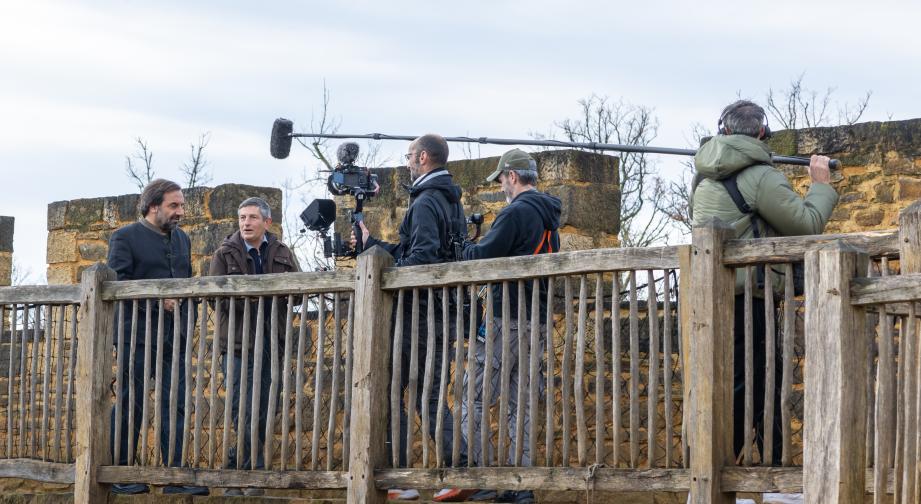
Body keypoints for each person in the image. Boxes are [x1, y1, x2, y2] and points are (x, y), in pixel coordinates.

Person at [691, 100, 838, 466]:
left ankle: (717, 473)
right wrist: (820, 184)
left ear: (723, 131)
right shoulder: (762, 177)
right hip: (751, 301)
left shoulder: (703, 176)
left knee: (728, 387)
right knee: (761, 387)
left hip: (711, 299)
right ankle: (762, 476)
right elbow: (806, 225)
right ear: (761, 132)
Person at [438, 149, 560, 504]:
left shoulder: (516, 212)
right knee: (519, 403)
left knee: (468, 397)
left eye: (501, 179)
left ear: (511, 176)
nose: (501, 186)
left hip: (504, 317)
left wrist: (463, 248)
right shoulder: (548, 216)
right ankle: (518, 484)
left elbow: (482, 257)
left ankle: (484, 474)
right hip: (535, 319)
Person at [353, 134, 468, 501]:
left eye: (408, 157)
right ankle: (460, 469)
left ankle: (403, 477)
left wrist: (391, 274)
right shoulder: (451, 202)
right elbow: (417, 249)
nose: (406, 163)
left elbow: (423, 258)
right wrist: (374, 246)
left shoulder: (424, 201)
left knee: (394, 391)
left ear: (422, 157)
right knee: (426, 395)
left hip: (418, 312)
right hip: (442, 310)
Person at [107, 179, 208, 496]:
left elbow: (185, 282)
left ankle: (174, 478)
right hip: (134, 335)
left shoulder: (183, 240)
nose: (180, 211)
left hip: (173, 336)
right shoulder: (124, 238)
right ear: (153, 206)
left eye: (181, 205)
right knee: (130, 403)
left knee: (175, 403)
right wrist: (156, 299)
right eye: (173, 205)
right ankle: (121, 473)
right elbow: (116, 286)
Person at [209, 197, 299, 496]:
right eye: (242, 217)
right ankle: (254, 470)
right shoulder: (224, 253)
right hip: (237, 344)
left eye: (252, 218)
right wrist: (253, 302)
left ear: (266, 222)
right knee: (239, 407)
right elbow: (214, 296)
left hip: (272, 343)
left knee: (263, 408)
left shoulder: (283, 252)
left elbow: (299, 292)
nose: (245, 223)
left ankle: (238, 466)